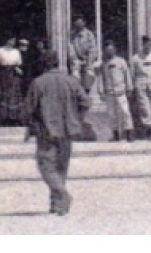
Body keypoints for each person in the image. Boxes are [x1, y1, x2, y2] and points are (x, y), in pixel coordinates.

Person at [25, 49, 89, 216]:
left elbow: (28, 109)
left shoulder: (38, 83)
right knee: (61, 167)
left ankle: (61, 195)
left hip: (46, 129)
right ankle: (57, 205)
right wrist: (77, 118)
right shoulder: (71, 81)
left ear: (44, 64)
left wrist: (31, 125)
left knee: (46, 166)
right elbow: (86, 102)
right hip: (67, 129)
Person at [99, 41, 134, 141]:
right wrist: (101, 91)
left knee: (125, 112)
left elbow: (127, 75)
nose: (109, 52)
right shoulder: (104, 64)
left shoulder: (121, 62)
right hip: (110, 92)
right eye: (107, 50)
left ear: (114, 50)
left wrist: (129, 88)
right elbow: (102, 78)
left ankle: (129, 132)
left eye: (111, 49)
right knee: (111, 114)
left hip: (120, 92)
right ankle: (115, 134)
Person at [0, 37, 24, 125]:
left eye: (14, 40)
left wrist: (16, 70)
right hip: (4, 74)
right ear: (7, 40)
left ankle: (14, 118)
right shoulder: (0, 51)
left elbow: (19, 63)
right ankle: (3, 118)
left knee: (14, 95)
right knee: (4, 94)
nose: (13, 42)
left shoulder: (16, 52)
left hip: (14, 74)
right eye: (11, 40)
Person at [69, 18, 99, 95]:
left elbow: (93, 48)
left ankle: (87, 92)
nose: (78, 25)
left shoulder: (89, 34)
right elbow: (71, 49)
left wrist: (89, 61)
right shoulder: (73, 35)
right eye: (76, 23)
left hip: (88, 59)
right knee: (75, 75)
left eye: (80, 22)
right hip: (77, 60)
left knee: (89, 75)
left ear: (84, 23)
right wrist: (75, 59)